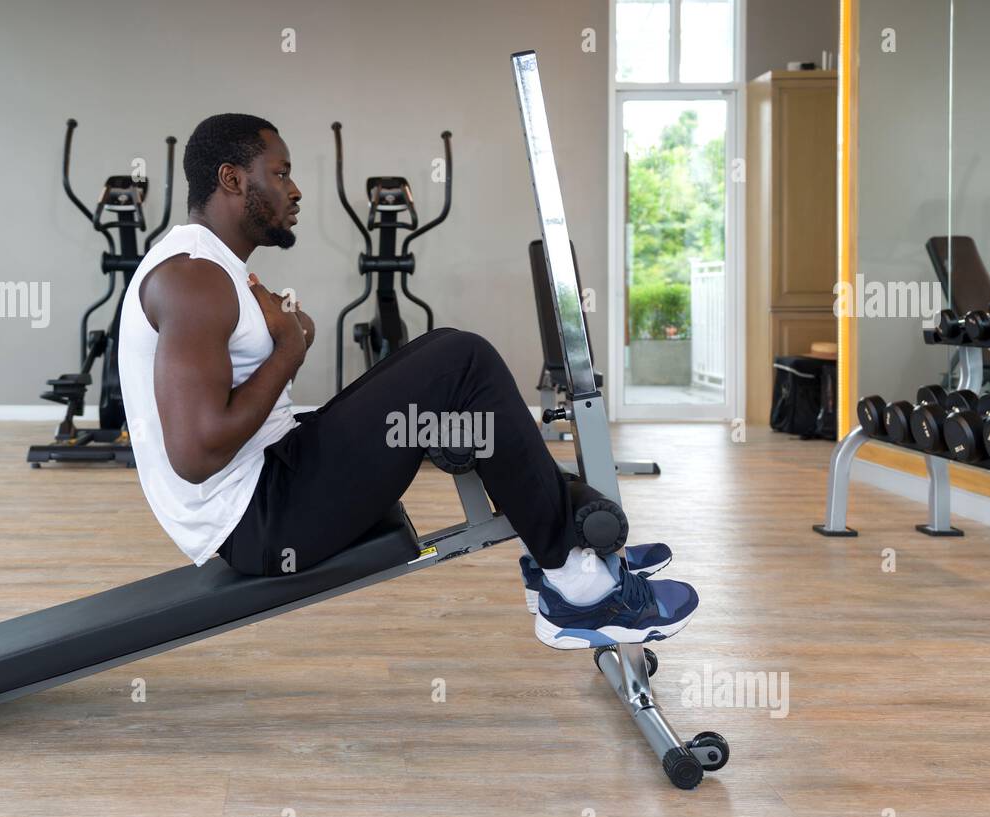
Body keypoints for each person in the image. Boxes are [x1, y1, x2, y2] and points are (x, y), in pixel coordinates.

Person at [118, 113, 698, 650]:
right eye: (281, 172)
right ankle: (579, 595)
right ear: (232, 179)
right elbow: (195, 455)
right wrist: (289, 351)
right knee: (462, 361)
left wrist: (288, 339)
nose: (295, 190)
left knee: (449, 352)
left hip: (275, 479)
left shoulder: (210, 266)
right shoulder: (192, 278)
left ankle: (558, 546)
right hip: (263, 519)